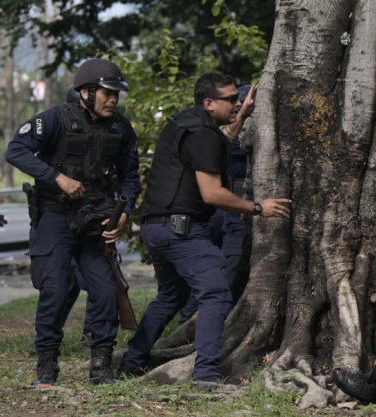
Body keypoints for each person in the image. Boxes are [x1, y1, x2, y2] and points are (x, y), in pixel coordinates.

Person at [118, 73, 290, 389]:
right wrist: (257, 208)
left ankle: (132, 362)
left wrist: (242, 115)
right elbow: (212, 194)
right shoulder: (202, 133)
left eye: (238, 99)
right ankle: (206, 375)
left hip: (157, 229)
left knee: (170, 296)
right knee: (215, 293)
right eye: (231, 100)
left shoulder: (190, 124)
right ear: (209, 103)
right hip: (181, 232)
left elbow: (216, 146)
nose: (237, 102)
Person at [5, 58, 140, 386]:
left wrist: (124, 213)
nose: (112, 99)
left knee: (106, 290)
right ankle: (47, 367)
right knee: (56, 289)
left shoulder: (121, 128)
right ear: (85, 92)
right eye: (106, 93)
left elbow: (130, 177)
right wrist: (56, 178)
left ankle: (101, 367)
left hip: (96, 223)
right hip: (55, 217)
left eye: (116, 94)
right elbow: (16, 150)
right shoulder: (55, 119)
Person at [178, 83, 256, 323]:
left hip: (229, 210)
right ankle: (190, 321)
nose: (237, 108)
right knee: (222, 271)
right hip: (229, 211)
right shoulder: (221, 133)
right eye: (234, 104)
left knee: (223, 270)